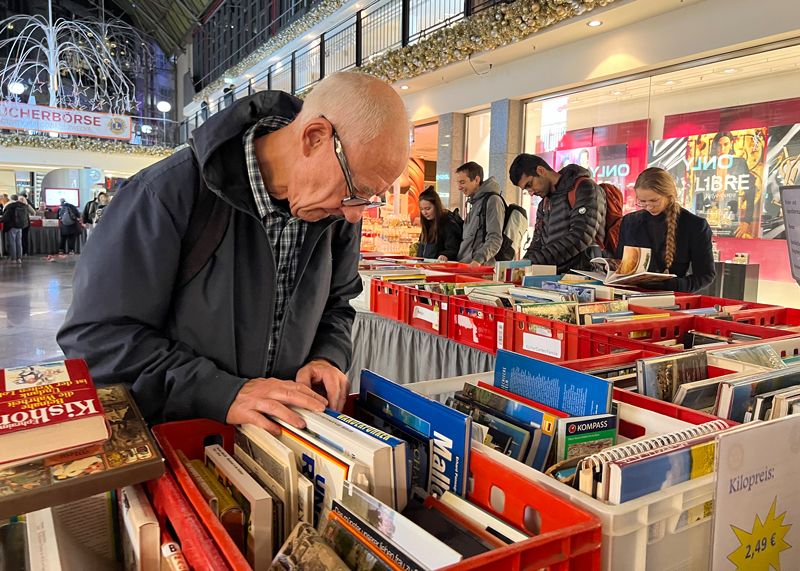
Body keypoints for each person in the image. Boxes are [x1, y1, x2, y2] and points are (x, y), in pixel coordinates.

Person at [58, 72, 410, 434]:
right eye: (357, 190)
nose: (355, 213)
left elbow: (337, 305)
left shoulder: (335, 214)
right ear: (314, 137)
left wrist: (327, 355)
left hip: (285, 442)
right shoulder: (166, 195)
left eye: (368, 200)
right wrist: (221, 393)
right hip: (185, 442)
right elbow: (97, 340)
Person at [617, 167, 715, 293]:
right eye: (642, 201)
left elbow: (705, 275)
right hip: (631, 296)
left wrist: (675, 285)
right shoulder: (629, 222)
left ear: (669, 195)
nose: (649, 206)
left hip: (672, 299)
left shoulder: (695, 225)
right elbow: (620, 263)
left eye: (654, 200)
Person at [509, 154, 607, 273]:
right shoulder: (543, 204)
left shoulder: (585, 188)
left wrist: (532, 262)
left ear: (541, 170)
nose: (531, 193)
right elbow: (537, 243)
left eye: (529, 184)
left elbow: (580, 237)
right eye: (526, 189)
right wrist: (522, 264)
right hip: (552, 279)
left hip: (584, 279)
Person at [455, 162, 504, 266]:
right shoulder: (474, 202)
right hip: (465, 265)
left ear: (476, 180)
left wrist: (478, 260)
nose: (459, 187)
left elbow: (495, 237)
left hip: (479, 268)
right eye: (458, 183)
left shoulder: (493, 200)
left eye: (462, 182)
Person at [416, 187, 461, 261]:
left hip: (441, 268)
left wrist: (445, 255)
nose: (424, 212)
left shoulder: (448, 223)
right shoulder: (427, 224)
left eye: (428, 209)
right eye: (422, 209)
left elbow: (453, 248)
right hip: (426, 267)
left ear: (436, 206)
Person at [2, 195, 28, 265]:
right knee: (19, 242)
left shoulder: (10, 206)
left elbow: (5, 218)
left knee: (12, 243)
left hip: (12, 227)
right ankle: (19, 258)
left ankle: (13, 258)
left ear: (10, 199)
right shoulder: (23, 205)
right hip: (20, 226)